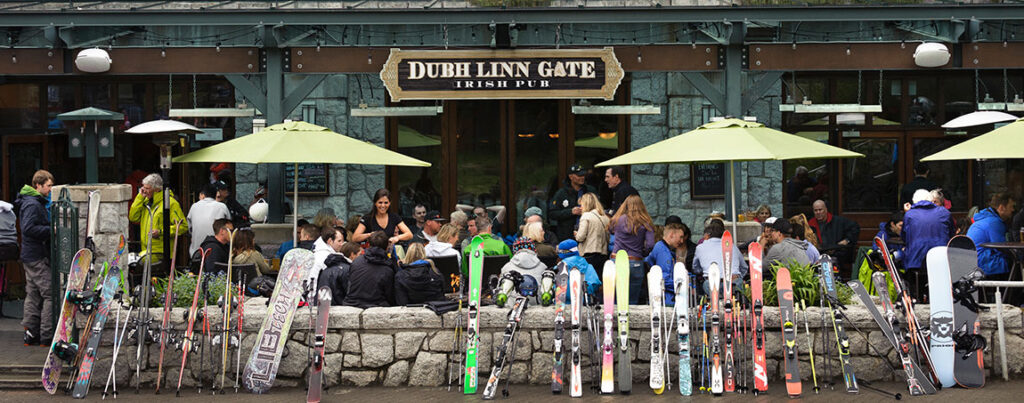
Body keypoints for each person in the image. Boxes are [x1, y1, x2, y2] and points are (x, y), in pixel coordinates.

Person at [14, 170, 54, 346]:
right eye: (48, 186)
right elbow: (28, 228)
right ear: (37, 185)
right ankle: (46, 335)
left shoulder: (32, 201)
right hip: (36, 254)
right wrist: (50, 230)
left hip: (30, 254)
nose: (51, 189)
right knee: (50, 293)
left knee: (34, 294)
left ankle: (30, 333)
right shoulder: (32, 204)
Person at [129, 173, 188, 264]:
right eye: (143, 188)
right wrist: (139, 197)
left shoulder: (170, 203)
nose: (144, 191)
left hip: (161, 252)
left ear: (157, 189)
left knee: (136, 262)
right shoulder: (145, 201)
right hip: (146, 250)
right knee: (130, 261)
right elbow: (133, 217)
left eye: (147, 188)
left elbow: (183, 226)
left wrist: (161, 232)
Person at [608, 195, 655, 304]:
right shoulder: (645, 223)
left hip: (617, 260)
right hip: (635, 261)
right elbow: (650, 245)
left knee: (616, 299)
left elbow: (610, 231)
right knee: (632, 300)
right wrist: (642, 253)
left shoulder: (617, 220)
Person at [967, 193, 1017, 278]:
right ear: (1001, 208)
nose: (1013, 210)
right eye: (1011, 206)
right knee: (1014, 264)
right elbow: (1002, 248)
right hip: (984, 263)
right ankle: (1008, 290)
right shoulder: (994, 222)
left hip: (972, 261)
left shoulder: (985, 218)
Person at [693, 219, 747, 296]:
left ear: (708, 235)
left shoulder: (700, 247)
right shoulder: (732, 246)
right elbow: (744, 267)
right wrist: (738, 277)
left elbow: (696, 269)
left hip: (711, 284)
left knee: (707, 288)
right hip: (733, 282)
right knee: (736, 303)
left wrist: (704, 270)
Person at [343, 231, 397, 308]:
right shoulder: (387, 269)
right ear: (387, 247)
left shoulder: (356, 262)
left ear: (368, 245)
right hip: (376, 306)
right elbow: (390, 296)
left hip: (351, 304)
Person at [549, 164, 598, 242]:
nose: (582, 177)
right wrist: (571, 212)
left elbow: (599, 209)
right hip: (567, 236)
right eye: (579, 175)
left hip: (589, 234)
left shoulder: (590, 190)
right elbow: (552, 214)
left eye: (583, 175)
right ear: (571, 176)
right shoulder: (561, 193)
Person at [807, 200, 860, 267]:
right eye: (815, 210)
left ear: (826, 210)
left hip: (836, 255)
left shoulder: (838, 221)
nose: (818, 212)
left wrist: (847, 240)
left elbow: (855, 227)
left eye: (820, 210)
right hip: (818, 256)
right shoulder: (810, 225)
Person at [644, 222, 687, 305]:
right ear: (671, 235)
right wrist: (683, 286)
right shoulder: (663, 251)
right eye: (680, 237)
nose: (682, 241)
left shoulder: (663, 248)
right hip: (665, 299)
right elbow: (664, 279)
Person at [187, 183, 231, 256]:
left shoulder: (194, 206)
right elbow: (229, 227)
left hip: (196, 252)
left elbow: (190, 228)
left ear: (203, 194)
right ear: (216, 194)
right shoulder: (222, 206)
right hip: (217, 251)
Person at [575, 192, 610, 272]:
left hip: (589, 254)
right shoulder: (605, 217)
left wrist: (576, 234)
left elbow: (580, 237)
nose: (581, 207)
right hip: (603, 254)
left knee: (588, 280)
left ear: (586, 204)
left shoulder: (586, 216)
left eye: (581, 205)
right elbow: (608, 237)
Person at [311, 226, 346, 296]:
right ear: (330, 241)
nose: (342, 244)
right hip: (317, 295)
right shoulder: (326, 256)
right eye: (339, 241)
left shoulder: (318, 252)